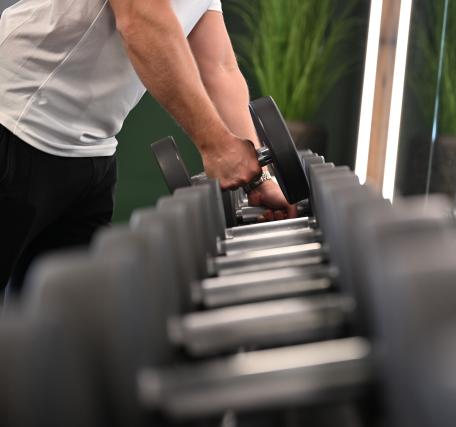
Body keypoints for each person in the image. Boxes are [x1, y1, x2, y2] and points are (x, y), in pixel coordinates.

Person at [0, 0, 297, 298]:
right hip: (14, 118)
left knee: (61, 316)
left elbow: (218, 69)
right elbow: (140, 20)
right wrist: (216, 145)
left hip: (90, 150)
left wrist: (259, 177)